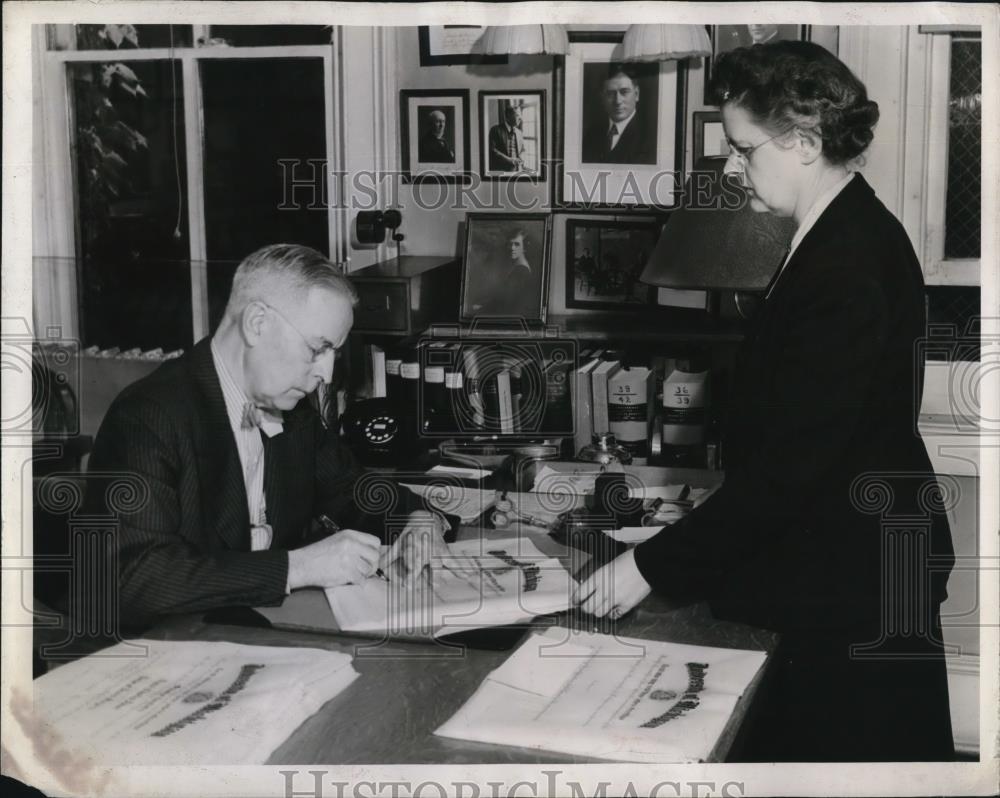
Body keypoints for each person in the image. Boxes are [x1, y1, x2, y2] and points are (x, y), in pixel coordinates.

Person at [574, 41, 956, 762]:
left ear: (806, 142)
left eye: (744, 149)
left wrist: (646, 566)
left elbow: (791, 469)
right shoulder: (837, 234)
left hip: (849, 585)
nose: (731, 166)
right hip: (847, 561)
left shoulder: (845, 265)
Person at [86, 244, 450, 629]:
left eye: (334, 354)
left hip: (259, 638)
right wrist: (297, 567)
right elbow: (133, 579)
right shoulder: (148, 417)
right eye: (317, 349)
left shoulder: (292, 414)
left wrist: (417, 518)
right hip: (163, 656)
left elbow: (353, 490)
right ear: (257, 323)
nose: (326, 374)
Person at [581, 63, 656, 165]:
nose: (617, 101)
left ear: (637, 94)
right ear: (602, 97)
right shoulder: (591, 135)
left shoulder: (651, 137)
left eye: (624, 92)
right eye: (611, 93)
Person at [488, 104, 525, 172]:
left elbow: (522, 149)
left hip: (517, 171)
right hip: (500, 171)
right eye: (517, 115)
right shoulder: (495, 130)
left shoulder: (519, 133)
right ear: (508, 116)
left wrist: (521, 157)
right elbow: (492, 150)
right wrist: (509, 160)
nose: (520, 118)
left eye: (520, 115)